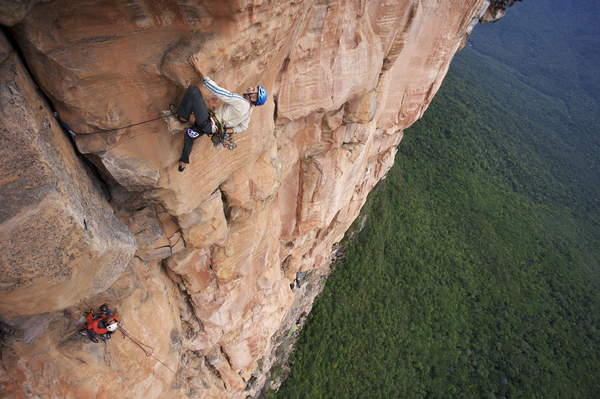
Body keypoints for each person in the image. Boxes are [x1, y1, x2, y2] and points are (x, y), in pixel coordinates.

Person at [171, 54, 267, 172]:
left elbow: (218, 91)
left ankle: (182, 116)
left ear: (253, 98)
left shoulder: (240, 102)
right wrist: (226, 130)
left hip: (207, 122)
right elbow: (243, 127)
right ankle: (183, 161)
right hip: (210, 129)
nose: (251, 87)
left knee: (194, 91)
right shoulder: (249, 111)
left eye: (253, 90)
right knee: (190, 134)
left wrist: (198, 70)